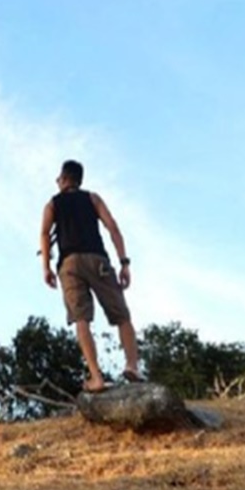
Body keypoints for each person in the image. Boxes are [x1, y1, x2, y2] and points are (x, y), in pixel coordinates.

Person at [39, 159, 142, 393]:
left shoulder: (52, 205)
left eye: (58, 178)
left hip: (69, 263)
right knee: (121, 314)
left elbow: (45, 234)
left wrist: (45, 267)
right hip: (98, 260)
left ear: (65, 179)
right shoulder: (92, 198)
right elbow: (112, 227)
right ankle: (132, 366)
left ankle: (96, 377)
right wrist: (124, 262)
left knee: (81, 318)